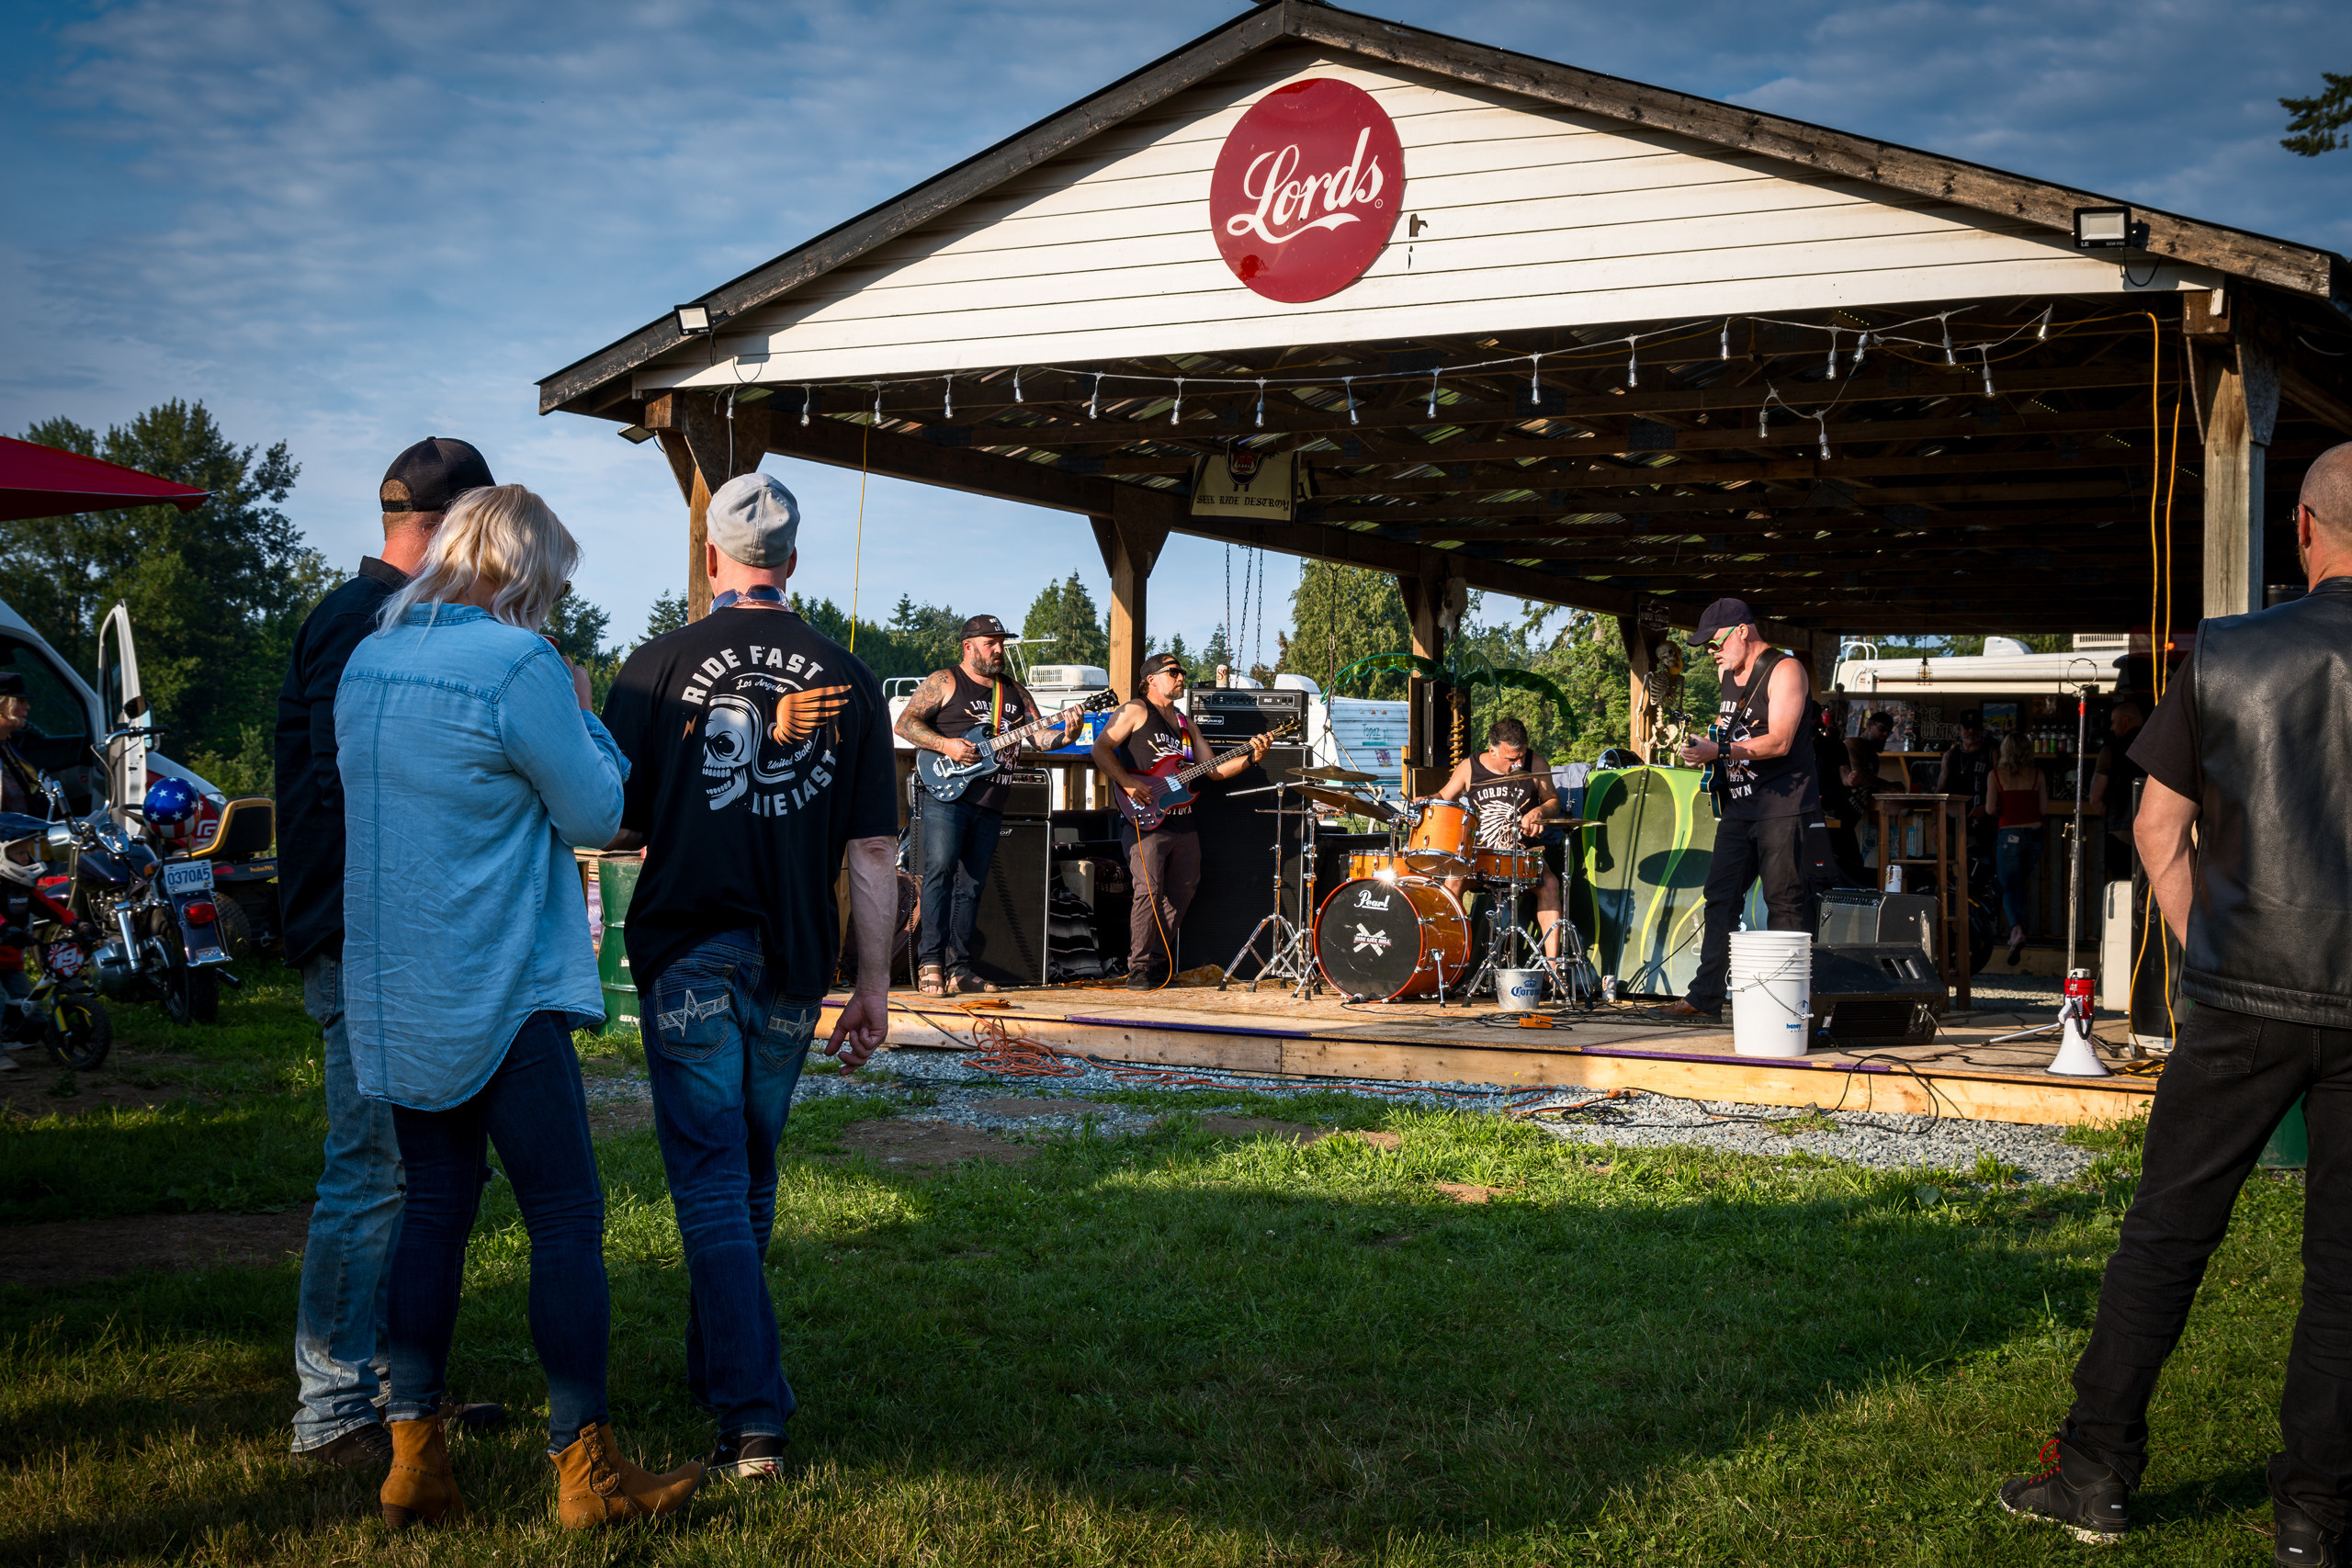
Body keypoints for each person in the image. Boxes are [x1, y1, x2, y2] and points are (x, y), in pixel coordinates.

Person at [1997, 443, 2352, 1561]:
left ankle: (2095, 1475)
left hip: (2241, 989)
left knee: (2163, 1236)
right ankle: (2315, 1520)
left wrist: (2216, 948)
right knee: (2346, 1271)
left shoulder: (2232, 653)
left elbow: (2155, 829)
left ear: (2301, 527)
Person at [337, 483, 700, 1530]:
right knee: (566, 1219)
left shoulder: (371, 657)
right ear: (528, 574)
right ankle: (585, 1471)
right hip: (500, 982)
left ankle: (414, 1461)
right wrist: (583, 712)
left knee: (435, 1214)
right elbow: (598, 811)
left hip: (398, 983)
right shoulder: (520, 664)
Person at [600, 472, 898, 1484]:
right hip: (791, 957)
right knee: (752, 1170)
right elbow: (870, 851)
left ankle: (751, 1416)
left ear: (712, 560)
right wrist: (873, 985)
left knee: (713, 1182)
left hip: (688, 947)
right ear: (794, 563)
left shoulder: (651, 669)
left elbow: (618, 823)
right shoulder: (852, 680)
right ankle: (719, 1365)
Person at [273, 437, 504, 1470]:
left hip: (384, 936)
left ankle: (398, 1395)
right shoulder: (368, 621)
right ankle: (333, 1412)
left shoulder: (367, 613)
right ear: (460, 522)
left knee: (412, 1176)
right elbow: (352, 794)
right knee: (368, 1174)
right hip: (364, 939)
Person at [895, 615, 1080, 997]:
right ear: (969, 646)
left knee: (973, 885)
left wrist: (1069, 732)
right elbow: (905, 724)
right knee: (939, 873)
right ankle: (931, 961)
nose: (999, 650)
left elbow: (1042, 738)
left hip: (992, 799)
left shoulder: (1013, 690)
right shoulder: (944, 681)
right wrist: (946, 745)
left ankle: (959, 968)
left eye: (1001, 643)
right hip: (946, 794)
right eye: (990, 643)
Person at [1657, 599, 1819, 1021]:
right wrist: (1706, 747)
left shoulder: (1785, 670)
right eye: (1709, 647)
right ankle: (1705, 997)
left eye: (1716, 643)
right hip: (1740, 804)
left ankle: (1791, 1004)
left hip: (1784, 805)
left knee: (1784, 902)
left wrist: (1721, 749)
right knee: (1719, 898)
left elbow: (1780, 740)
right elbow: (1735, 722)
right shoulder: (1728, 671)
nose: (1713, 652)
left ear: (1743, 631)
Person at [1091, 650, 1271, 988]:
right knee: (1150, 890)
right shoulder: (1135, 710)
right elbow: (1100, 749)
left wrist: (1251, 757)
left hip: (1183, 819)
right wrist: (1129, 784)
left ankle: (1157, 962)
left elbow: (1213, 770)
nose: (1180, 677)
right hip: (1144, 817)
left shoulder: (1186, 724)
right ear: (1152, 679)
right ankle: (1140, 967)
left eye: (1181, 672)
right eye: (1173, 672)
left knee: (1183, 889)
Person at [1423, 717, 1565, 957]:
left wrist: (1540, 810)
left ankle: (1553, 964)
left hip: (1523, 853)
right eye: (1512, 759)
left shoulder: (1536, 763)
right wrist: (1426, 800)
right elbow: (1445, 796)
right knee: (1452, 881)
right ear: (1493, 750)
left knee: (1550, 884)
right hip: (1482, 854)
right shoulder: (1470, 767)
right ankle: (1451, 960)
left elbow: (1553, 801)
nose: (1518, 763)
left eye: (1521, 756)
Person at [1984, 730, 2048, 965]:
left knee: (2008, 885)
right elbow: (2044, 808)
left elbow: (1990, 809)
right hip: (2035, 834)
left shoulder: (1995, 775)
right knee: (2019, 884)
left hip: (2009, 833)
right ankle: (2016, 931)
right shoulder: (2038, 775)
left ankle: (2016, 930)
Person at [2086, 698, 2145, 876]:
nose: (2111, 728)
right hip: (2154, 833)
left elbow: (2095, 799)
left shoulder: (2111, 750)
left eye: (2113, 722)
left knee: (2122, 888)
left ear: (2125, 721)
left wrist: (2112, 814)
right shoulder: (2158, 748)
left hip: (2121, 834)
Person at [1937, 709, 1996, 856]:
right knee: (1947, 870)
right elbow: (1939, 791)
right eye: (1967, 727)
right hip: (1951, 826)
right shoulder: (1950, 756)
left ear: (1981, 729)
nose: (1971, 731)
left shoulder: (1992, 753)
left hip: (1981, 826)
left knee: (1977, 872)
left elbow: (2003, 788)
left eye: (1975, 727)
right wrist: (1936, 823)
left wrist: (1987, 807)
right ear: (1959, 729)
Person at [1843, 709, 1894, 872]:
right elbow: (1861, 776)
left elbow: (1869, 787)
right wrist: (1888, 786)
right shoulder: (1853, 743)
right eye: (1882, 729)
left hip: (1851, 820)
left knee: (1854, 865)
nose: (1885, 734)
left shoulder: (1874, 757)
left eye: (1888, 732)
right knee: (1850, 866)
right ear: (1869, 725)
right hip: (1837, 817)